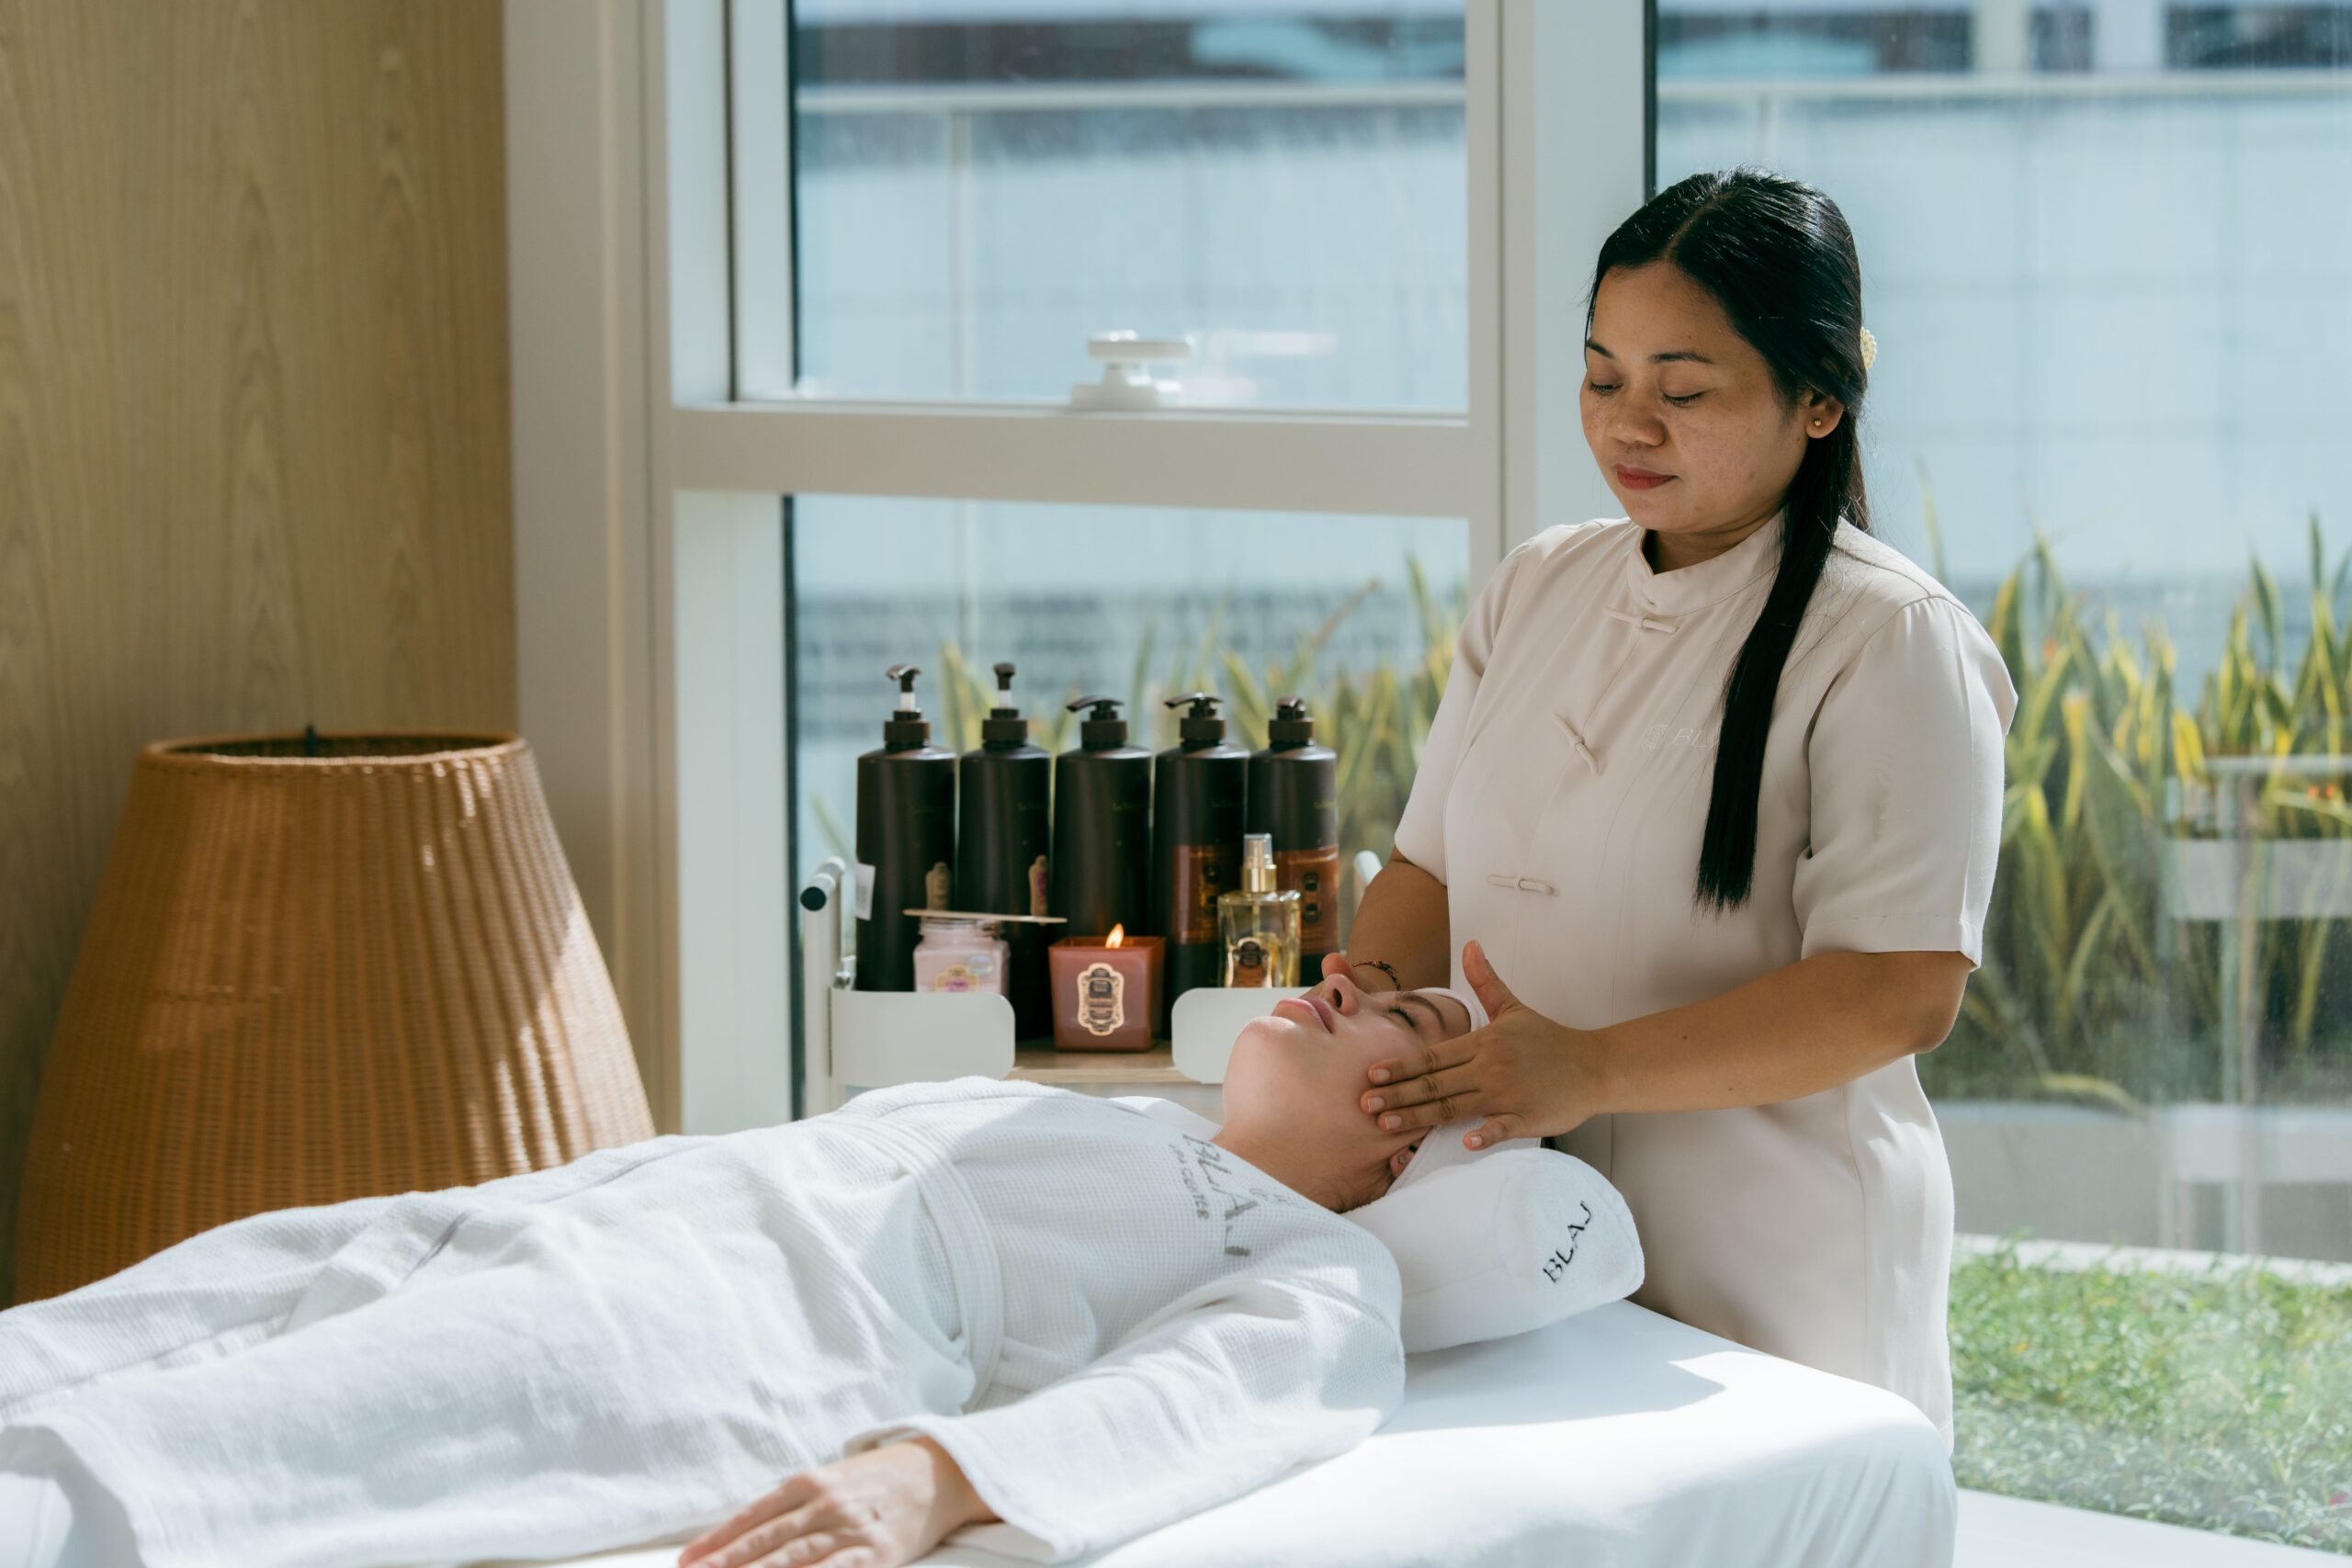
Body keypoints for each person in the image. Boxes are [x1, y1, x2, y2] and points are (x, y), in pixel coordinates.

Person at [1325, 167, 2017, 1447]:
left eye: (1683, 391)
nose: (1629, 426)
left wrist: (1588, 1069)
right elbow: (1427, 871)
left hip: (1776, 1264)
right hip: (1518, 1232)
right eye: (1602, 379)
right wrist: (1356, 1020)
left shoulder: (1891, 638)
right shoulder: (1537, 586)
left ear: (1820, 400)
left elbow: (1899, 990)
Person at [0, 979, 1471, 1568]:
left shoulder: (1325, 1268)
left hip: (754, 1316)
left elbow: (1203, 1404)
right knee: (160, 1319)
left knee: (240, 1449)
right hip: (622, 1206)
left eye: (1399, 1016)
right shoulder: (1129, 1119)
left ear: (1407, 1145)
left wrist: (936, 1476)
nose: (1343, 981)